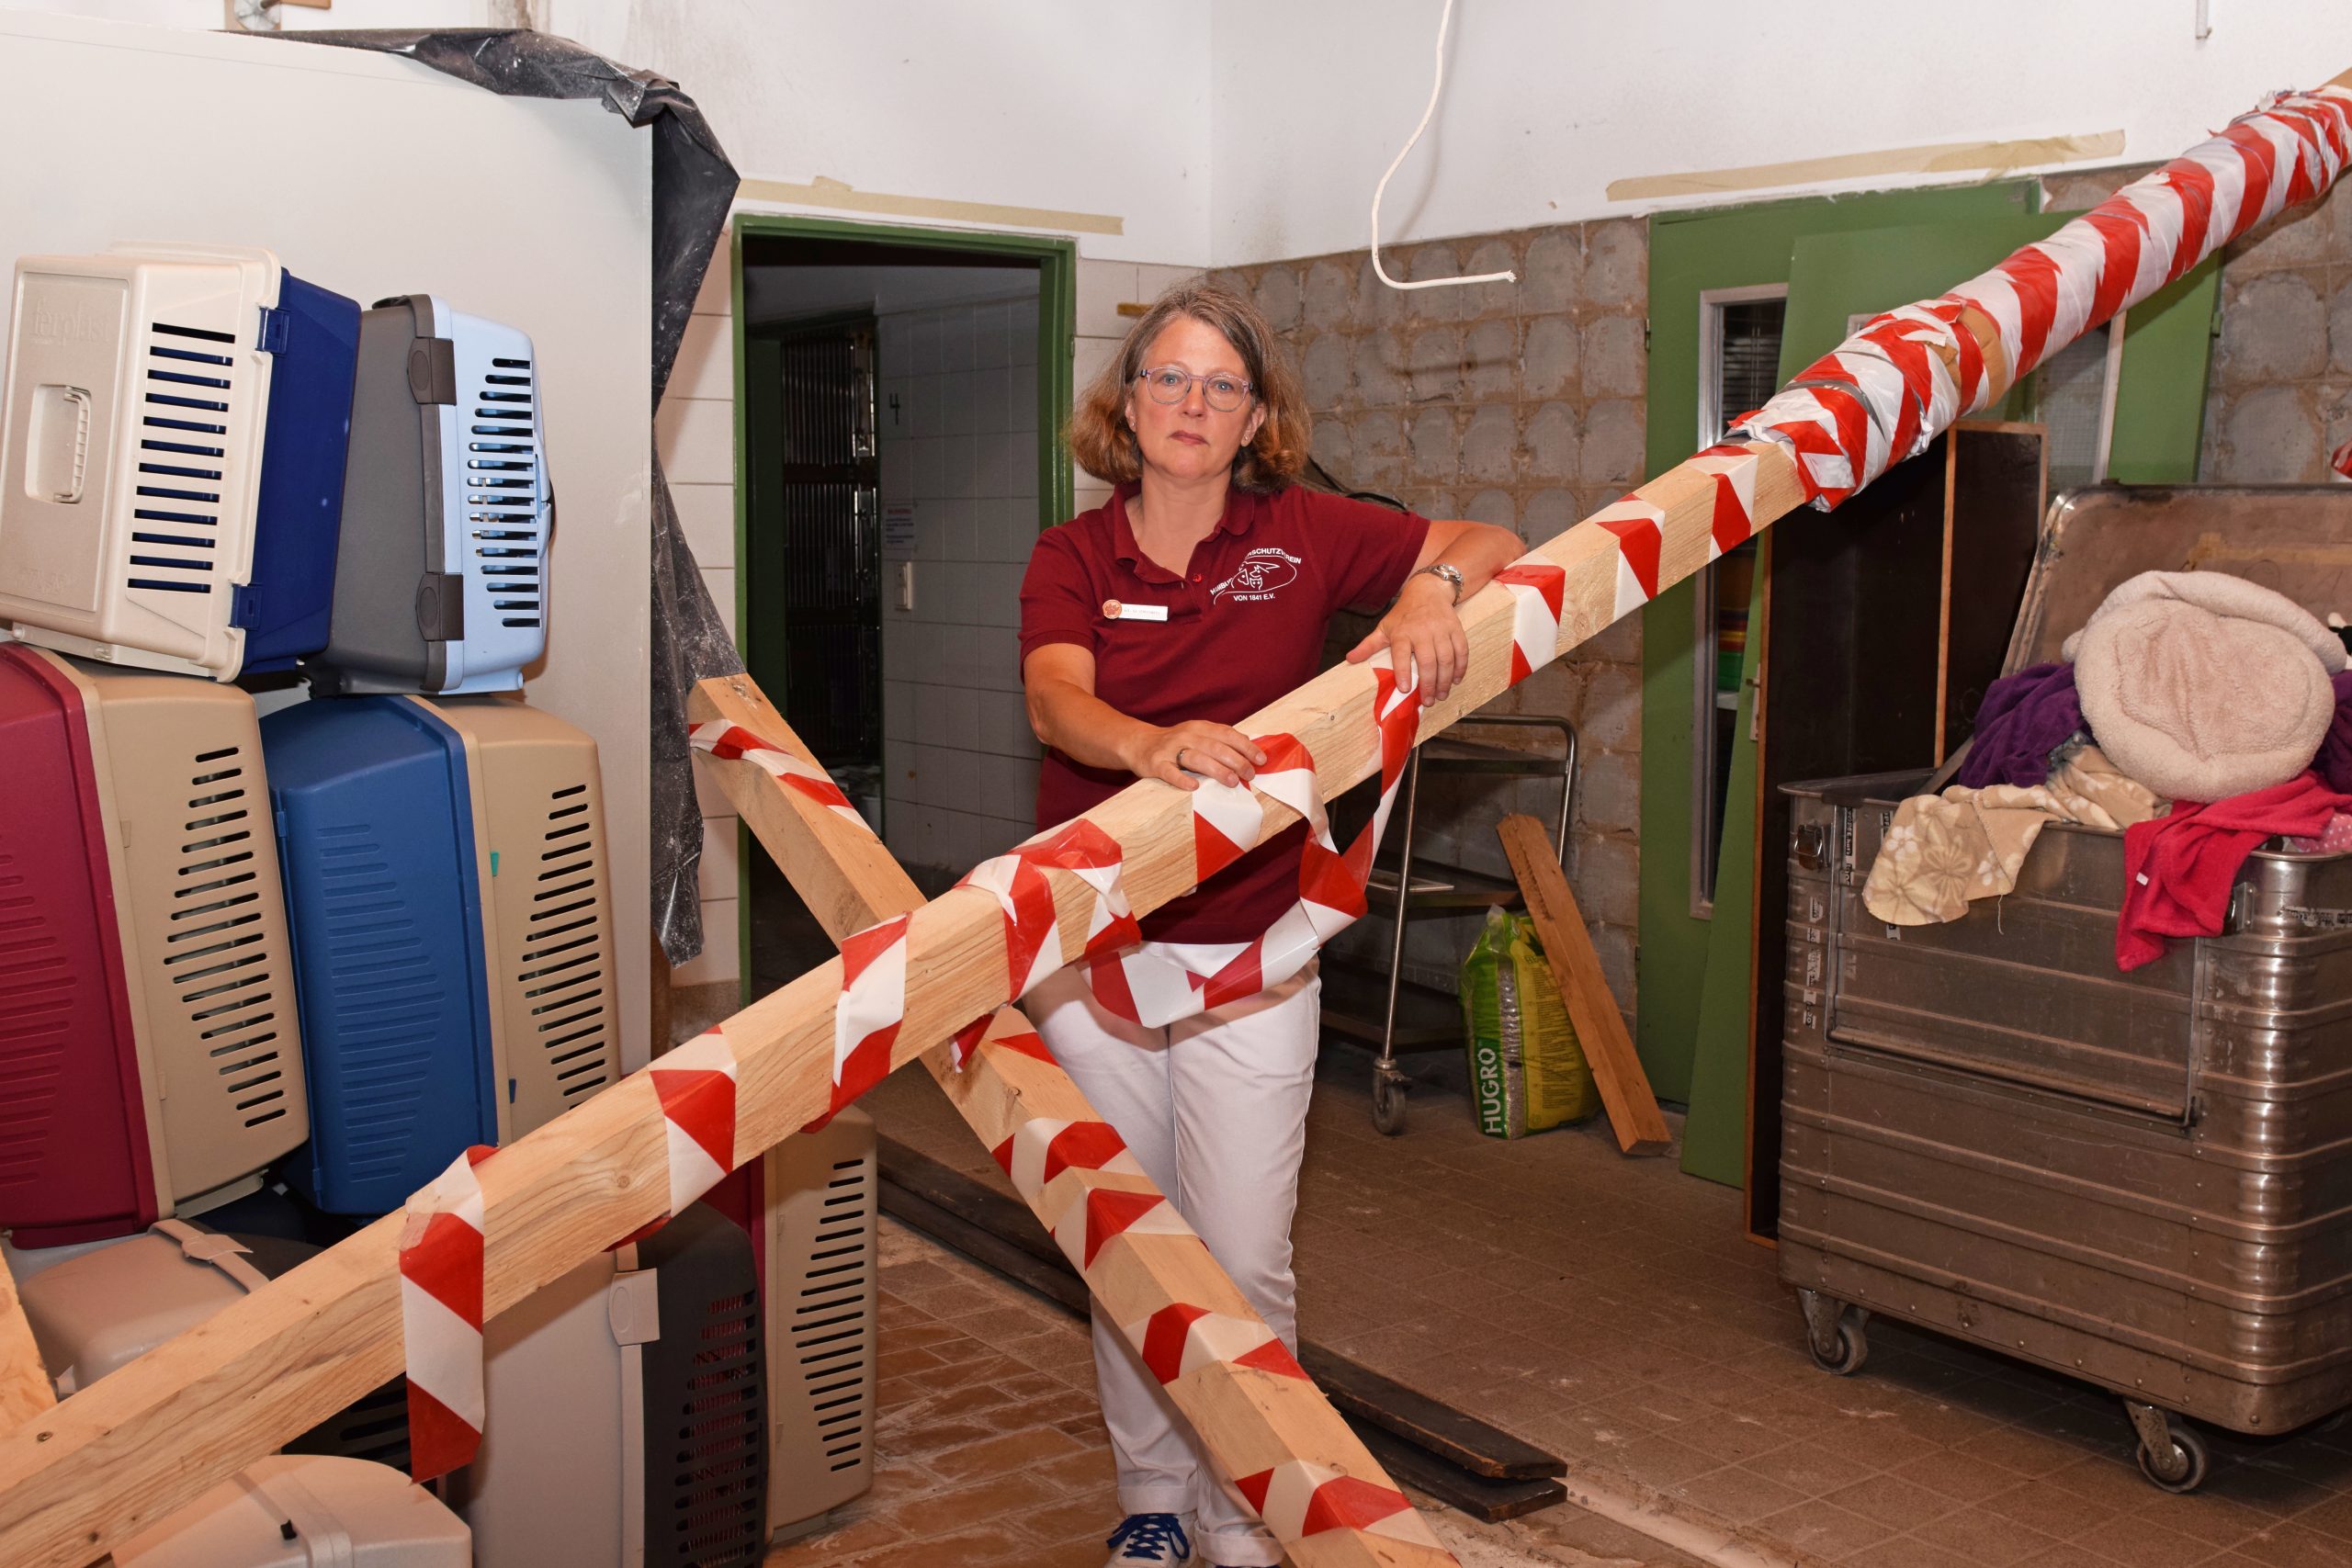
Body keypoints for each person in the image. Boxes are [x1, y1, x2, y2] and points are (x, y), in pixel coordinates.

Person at [1017, 281, 1523, 1568]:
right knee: (1125, 1241)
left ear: (1255, 419)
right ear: (1127, 405)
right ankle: (1153, 1501)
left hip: (1253, 955)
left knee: (1242, 1254)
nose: (1191, 405)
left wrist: (1425, 596)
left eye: (1220, 386)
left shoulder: (1301, 534)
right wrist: (1149, 748)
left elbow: (1487, 533)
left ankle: (1253, 1508)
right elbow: (1054, 701)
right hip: (1099, 958)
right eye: (1168, 379)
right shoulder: (1071, 557)